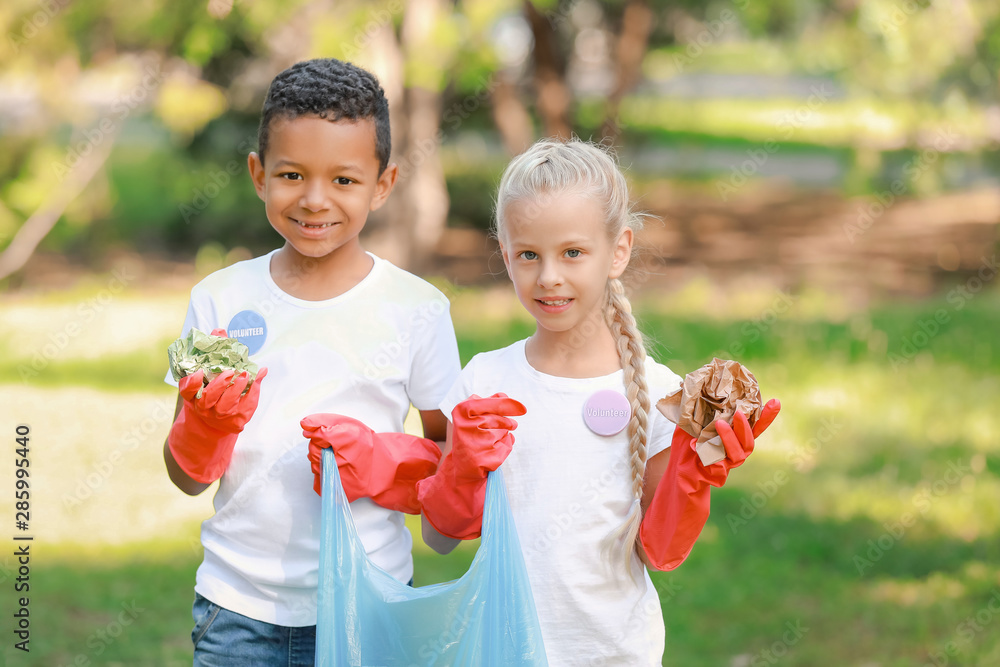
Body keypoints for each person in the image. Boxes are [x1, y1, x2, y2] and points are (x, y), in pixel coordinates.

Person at [412, 138, 781, 665]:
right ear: (505, 254)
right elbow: (440, 537)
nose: (549, 277)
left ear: (619, 250)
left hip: (615, 653)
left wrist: (697, 469)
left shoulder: (663, 394)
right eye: (528, 255)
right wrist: (462, 469)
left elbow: (661, 551)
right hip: (499, 649)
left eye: (573, 253)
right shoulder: (485, 380)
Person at [162, 57, 461, 666]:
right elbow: (186, 476)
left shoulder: (417, 309)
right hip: (237, 606)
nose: (315, 200)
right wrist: (204, 429)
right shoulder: (219, 299)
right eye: (292, 174)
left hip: (369, 600)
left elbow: (448, 473)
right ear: (258, 174)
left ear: (383, 183)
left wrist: (383, 463)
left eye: (345, 180)